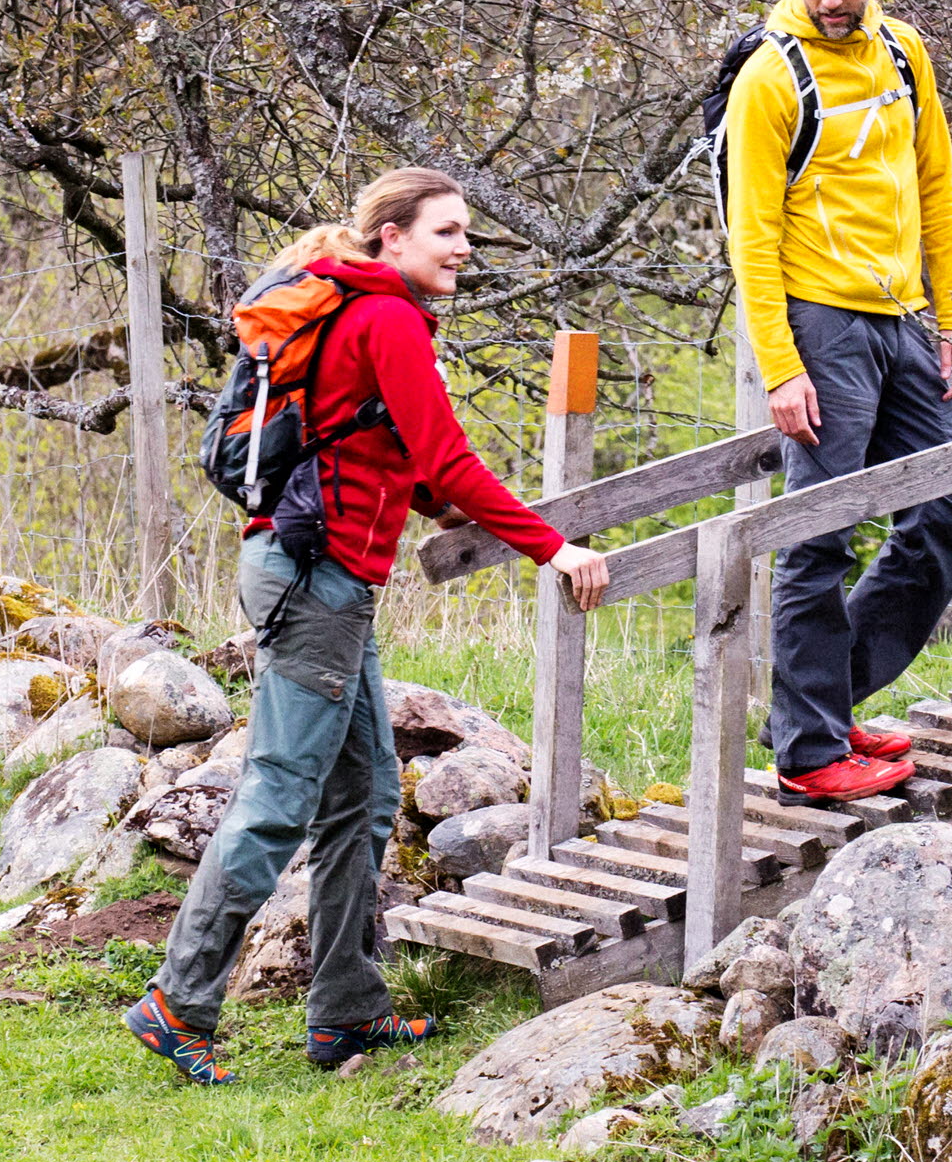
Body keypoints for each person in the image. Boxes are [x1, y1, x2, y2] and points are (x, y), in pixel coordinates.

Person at [127, 168, 612, 1086]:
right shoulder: (385, 317)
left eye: (466, 232)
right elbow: (449, 458)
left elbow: (396, 456)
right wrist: (552, 548)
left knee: (367, 788)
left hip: (325, 577)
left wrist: (432, 503)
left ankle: (346, 1011)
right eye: (447, 232)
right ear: (393, 237)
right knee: (278, 796)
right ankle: (178, 1000)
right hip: (315, 583)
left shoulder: (367, 312)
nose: (464, 247)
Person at [724, 0, 952, 803]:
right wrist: (782, 368)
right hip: (819, 325)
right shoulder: (771, 75)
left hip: (904, 320)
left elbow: (938, 186)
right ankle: (808, 754)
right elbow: (748, 236)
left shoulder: (905, 52)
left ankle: (824, 703)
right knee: (816, 538)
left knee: (948, 519)